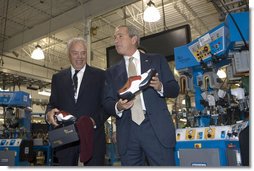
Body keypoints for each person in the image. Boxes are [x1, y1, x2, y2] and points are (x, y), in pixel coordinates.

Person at [103, 25, 179, 166]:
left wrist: (160, 86)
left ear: (134, 39)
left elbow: (174, 89)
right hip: (127, 131)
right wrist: (118, 106)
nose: (116, 41)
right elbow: (107, 101)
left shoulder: (157, 60)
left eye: (120, 36)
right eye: (115, 37)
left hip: (156, 129)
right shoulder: (111, 72)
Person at [46, 37, 109, 166]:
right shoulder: (58, 78)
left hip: (93, 138)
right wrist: (49, 114)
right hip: (66, 139)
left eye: (83, 52)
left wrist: (94, 121)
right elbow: (53, 103)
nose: (80, 57)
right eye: (75, 53)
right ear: (69, 54)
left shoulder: (100, 76)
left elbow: (107, 105)